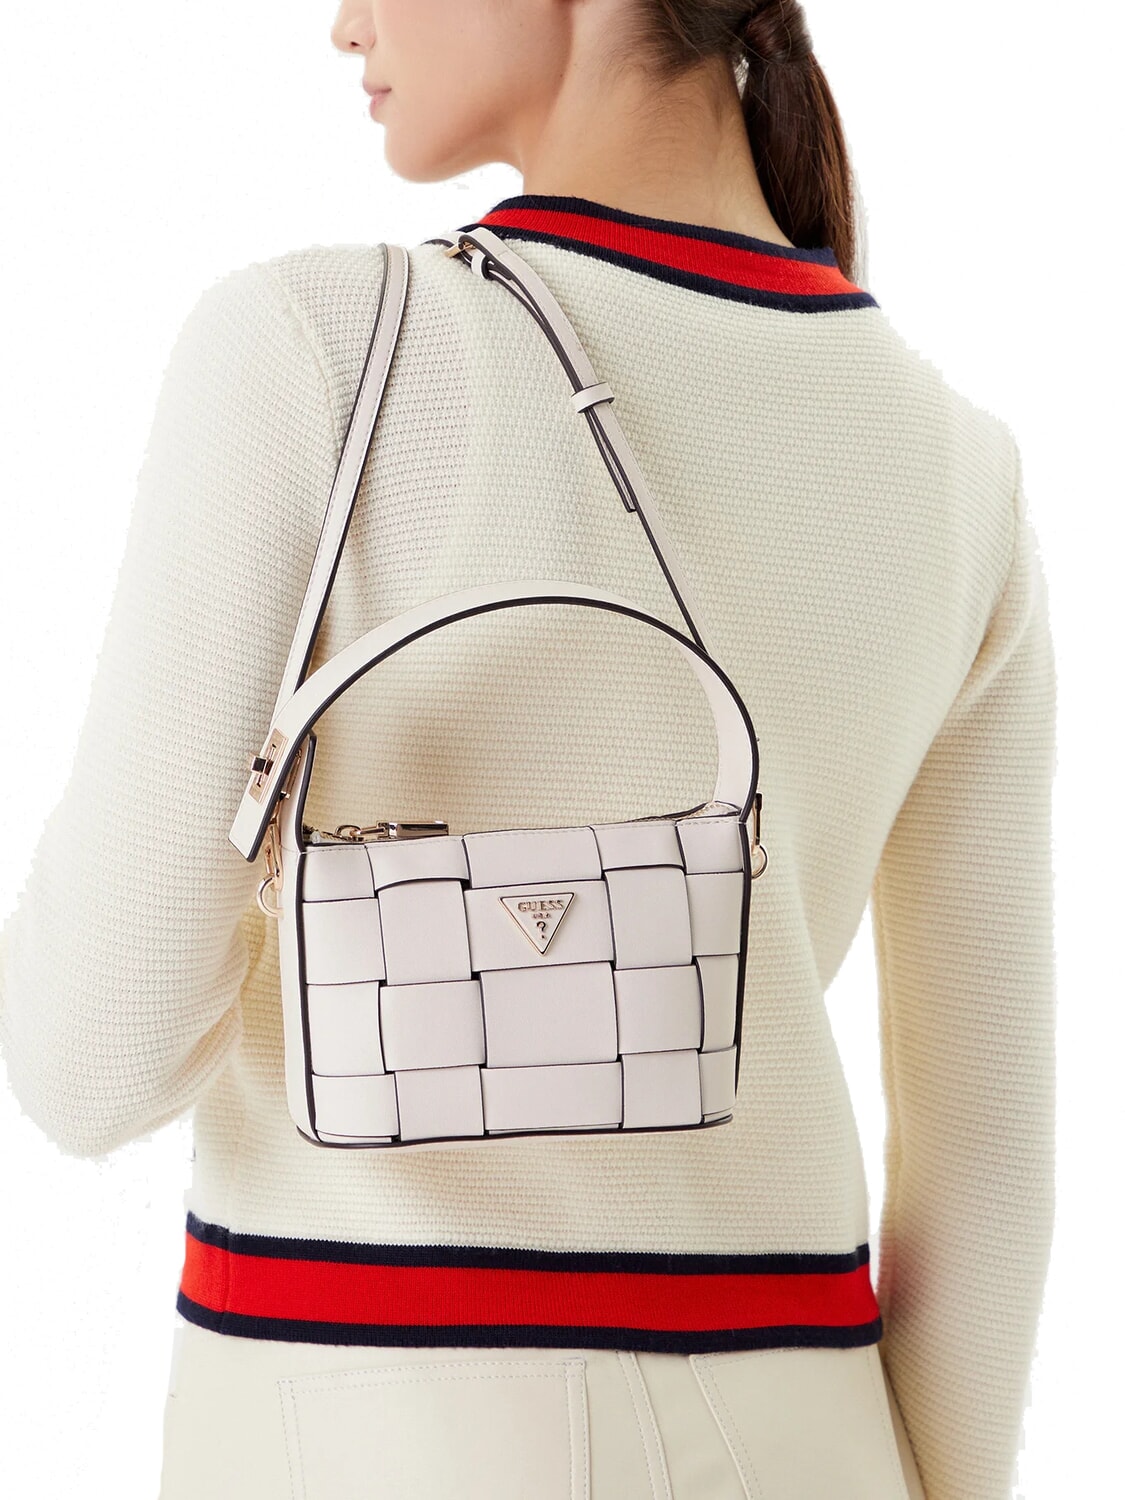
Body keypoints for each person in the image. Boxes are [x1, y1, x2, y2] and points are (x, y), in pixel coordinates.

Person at [0, 1, 1056, 1497]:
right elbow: (987, 1163)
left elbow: (92, 1061)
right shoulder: (961, 465)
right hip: (811, 1432)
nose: (344, 24)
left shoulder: (317, 346)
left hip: (368, 1427)